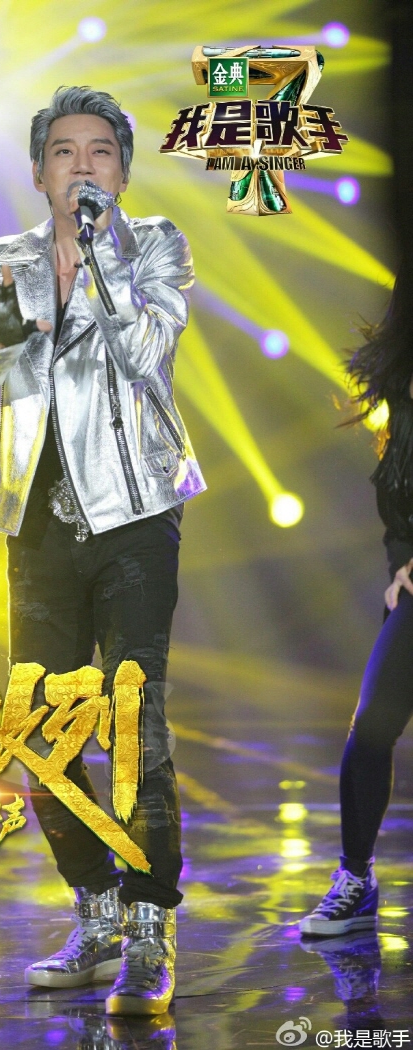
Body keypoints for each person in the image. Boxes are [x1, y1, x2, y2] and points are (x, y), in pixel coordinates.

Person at [0, 86, 205, 1014]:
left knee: (133, 728)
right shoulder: (7, 259)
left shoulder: (154, 245)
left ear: (121, 173)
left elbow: (148, 353)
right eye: (64, 151)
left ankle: (149, 928)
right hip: (38, 526)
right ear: (38, 171)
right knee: (41, 739)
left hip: (133, 516)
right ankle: (95, 911)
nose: (81, 165)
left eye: (100, 152)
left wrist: (97, 258)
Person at [300, 265, 413, 936]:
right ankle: (356, 878)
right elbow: (395, 491)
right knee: (371, 726)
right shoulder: (402, 386)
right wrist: (400, 565)